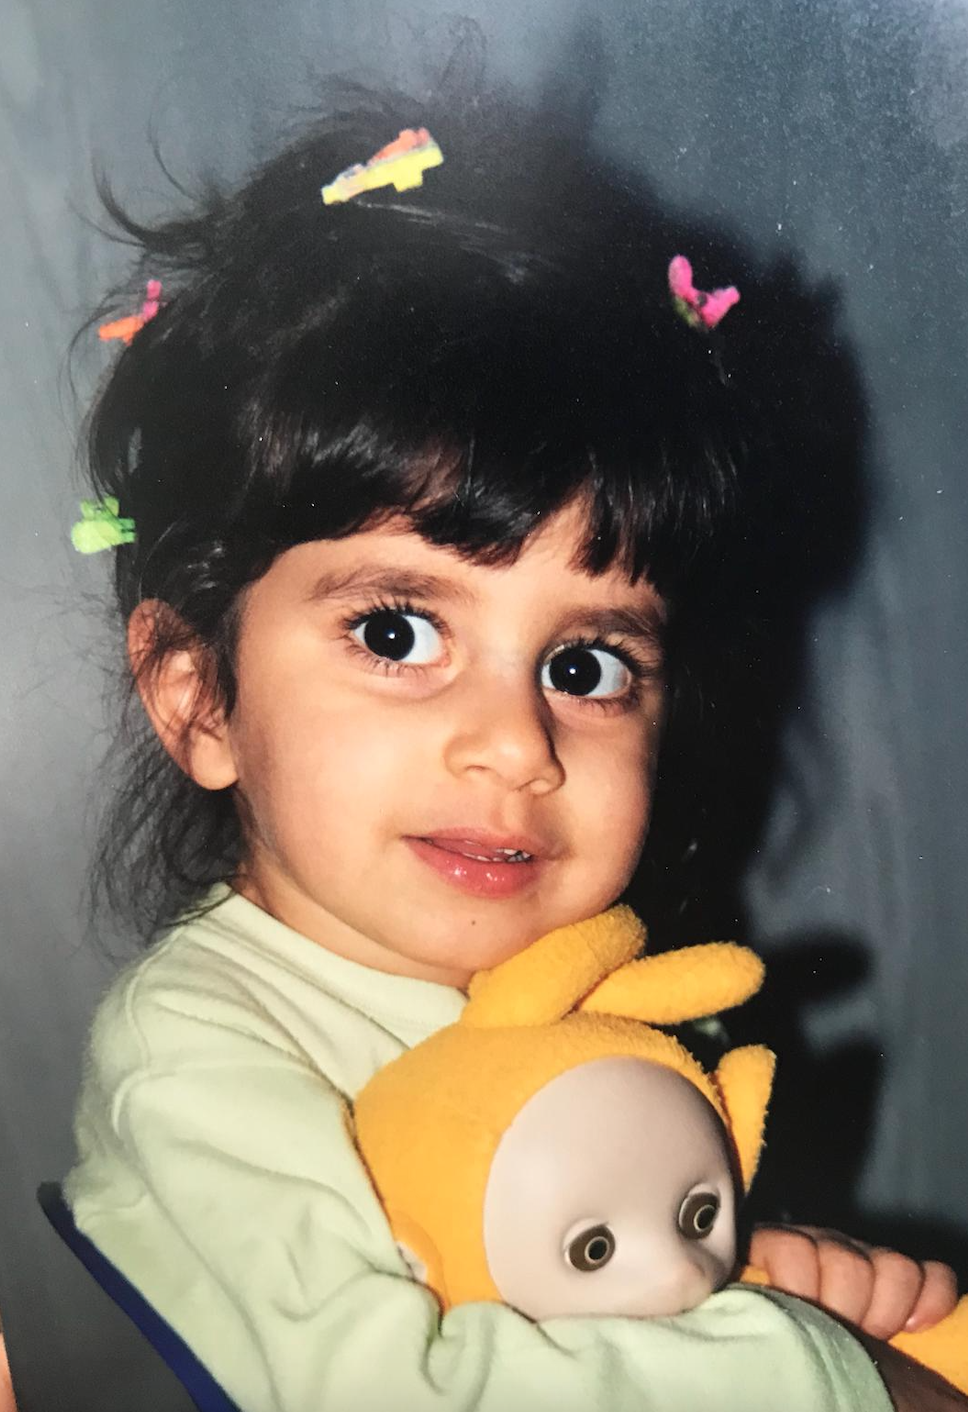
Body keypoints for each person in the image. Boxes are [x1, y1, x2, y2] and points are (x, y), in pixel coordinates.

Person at [62, 85, 962, 1411]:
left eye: (586, 666)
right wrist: (839, 1378)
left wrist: (754, 1289)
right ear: (198, 696)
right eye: (396, 633)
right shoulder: (202, 1055)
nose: (514, 745)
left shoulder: (586, 989)